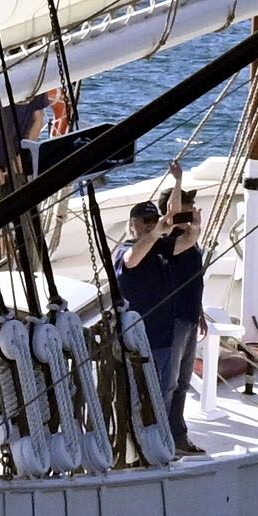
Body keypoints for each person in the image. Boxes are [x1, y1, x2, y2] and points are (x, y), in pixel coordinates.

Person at [112, 190, 209, 455]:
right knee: (145, 396)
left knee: (172, 387)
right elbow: (132, 260)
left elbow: (188, 241)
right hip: (142, 340)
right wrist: (155, 233)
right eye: (144, 221)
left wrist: (195, 226)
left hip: (165, 334)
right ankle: (147, 446)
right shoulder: (124, 251)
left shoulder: (161, 248)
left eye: (153, 220)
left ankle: (167, 440)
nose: (149, 225)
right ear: (132, 224)